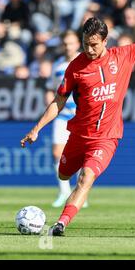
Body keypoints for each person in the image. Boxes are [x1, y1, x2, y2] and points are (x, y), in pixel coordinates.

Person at [20, 6, 135, 236]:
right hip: (79, 136)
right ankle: (66, 200)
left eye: (94, 44)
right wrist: (36, 129)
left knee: (86, 178)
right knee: (64, 174)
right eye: (85, 43)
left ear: (105, 41)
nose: (89, 48)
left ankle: (61, 224)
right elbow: (59, 101)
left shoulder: (123, 56)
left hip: (106, 138)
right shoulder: (75, 67)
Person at [45, 30, 82, 208]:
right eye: (65, 43)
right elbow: (51, 88)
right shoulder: (58, 66)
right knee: (56, 153)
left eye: (71, 43)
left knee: (82, 155)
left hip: (81, 115)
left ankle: (80, 193)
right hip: (63, 115)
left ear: (78, 43)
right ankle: (64, 192)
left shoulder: (84, 61)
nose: (68, 46)